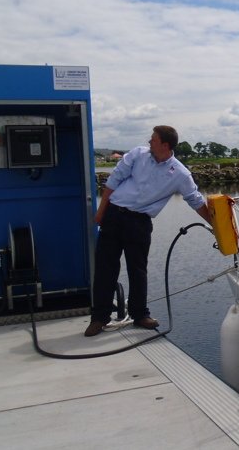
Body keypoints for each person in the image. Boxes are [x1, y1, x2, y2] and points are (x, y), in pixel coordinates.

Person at [85, 125, 212, 337]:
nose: (149, 142)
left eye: (153, 139)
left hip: (139, 222)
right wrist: (101, 212)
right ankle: (99, 317)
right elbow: (113, 181)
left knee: (138, 269)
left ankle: (139, 314)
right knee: (105, 267)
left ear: (165, 145)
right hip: (114, 215)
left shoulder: (180, 173)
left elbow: (195, 200)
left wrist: (216, 225)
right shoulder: (137, 155)